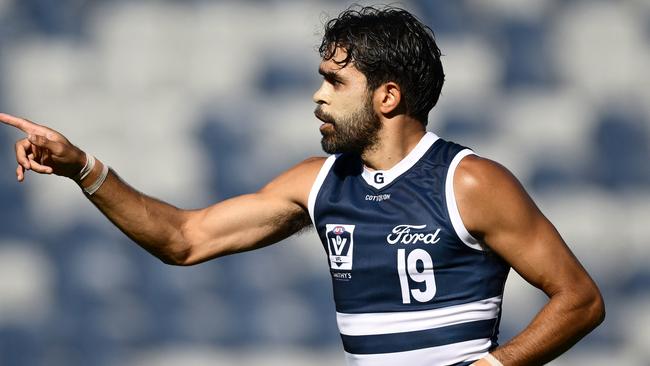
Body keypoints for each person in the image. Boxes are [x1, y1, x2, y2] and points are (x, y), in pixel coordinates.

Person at [0, 5, 603, 366]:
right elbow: (183, 239)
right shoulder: (318, 183)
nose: (317, 95)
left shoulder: (469, 181)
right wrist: (83, 166)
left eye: (335, 82)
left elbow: (580, 299)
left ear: (387, 95)